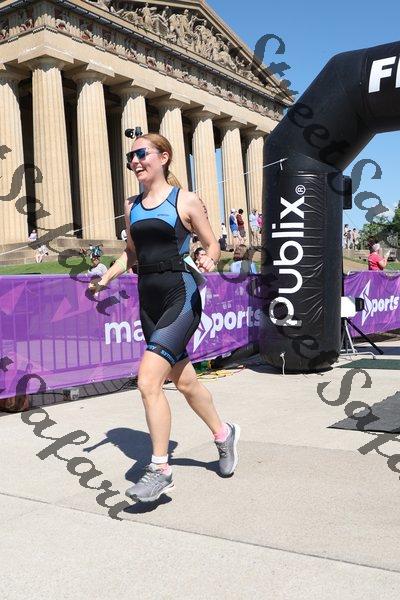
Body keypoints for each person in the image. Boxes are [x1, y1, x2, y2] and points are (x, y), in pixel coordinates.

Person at [88, 132, 240, 503]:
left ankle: (160, 470)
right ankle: (224, 434)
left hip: (180, 297)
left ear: (164, 156)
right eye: (130, 157)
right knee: (184, 382)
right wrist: (105, 279)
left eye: (142, 153)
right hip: (149, 302)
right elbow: (131, 253)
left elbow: (214, 244)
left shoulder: (184, 200)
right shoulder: (132, 206)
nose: (135, 161)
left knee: (148, 381)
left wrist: (210, 258)